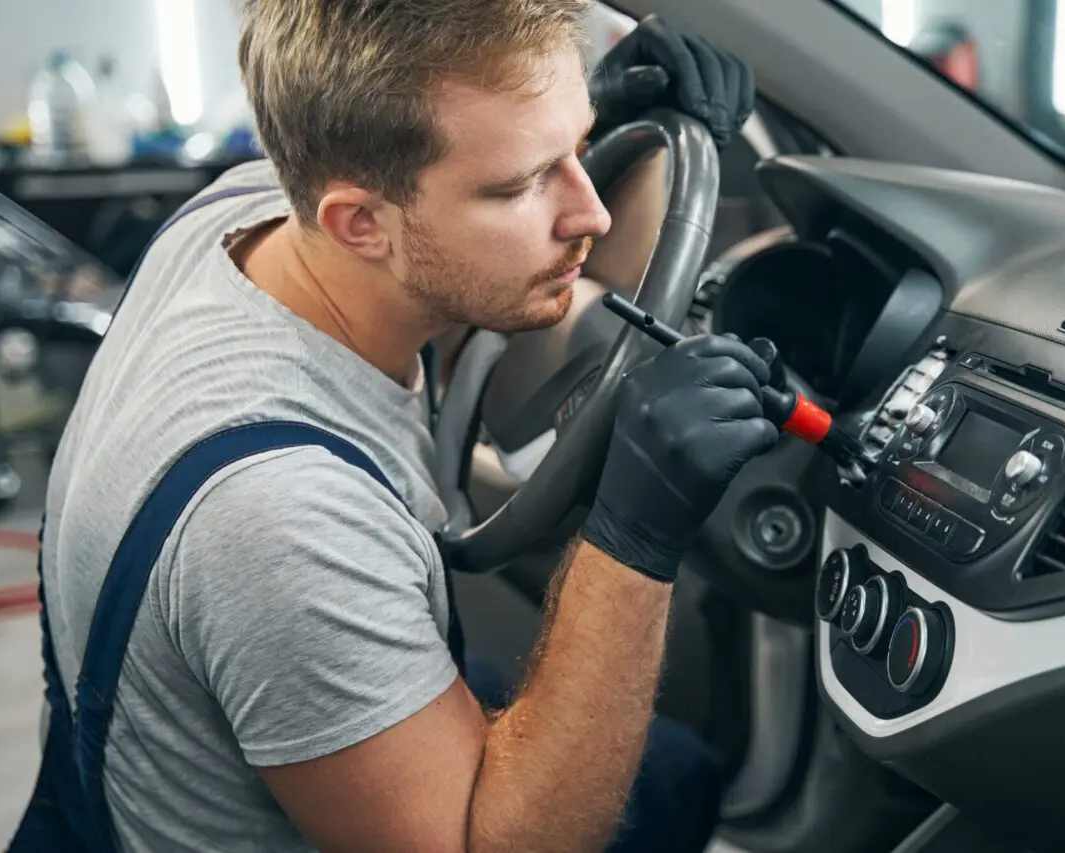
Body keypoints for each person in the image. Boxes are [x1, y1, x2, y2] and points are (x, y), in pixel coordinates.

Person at [39, 2, 772, 851]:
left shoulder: (246, 208)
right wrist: (635, 537)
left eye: (579, 149)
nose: (591, 214)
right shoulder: (280, 521)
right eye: (520, 184)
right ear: (361, 223)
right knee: (679, 780)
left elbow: (498, 256)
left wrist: (584, 122)